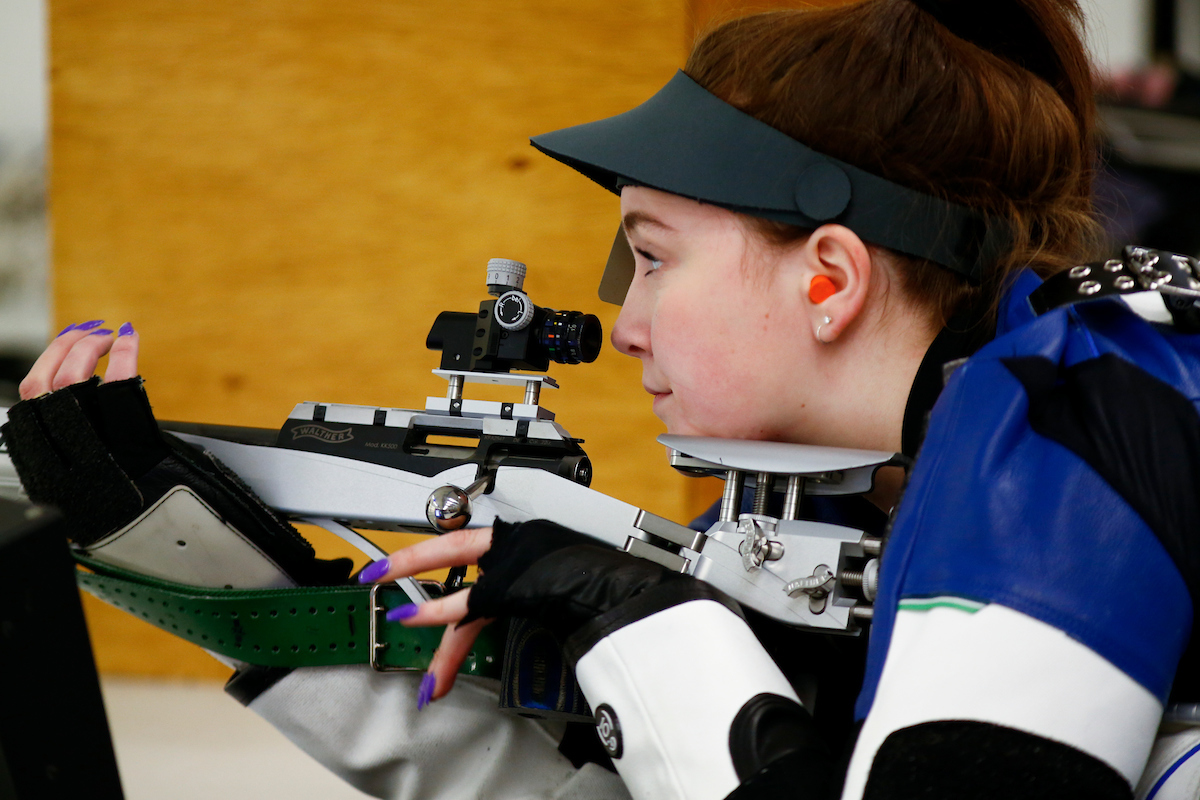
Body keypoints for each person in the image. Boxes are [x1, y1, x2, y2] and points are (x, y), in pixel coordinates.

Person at [10, 0, 1200, 798]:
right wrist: (228, 585)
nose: (625, 319)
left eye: (654, 251)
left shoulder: (1066, 409)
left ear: (829, 277)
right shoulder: (980, 430)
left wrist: (648, 623)